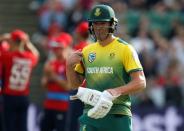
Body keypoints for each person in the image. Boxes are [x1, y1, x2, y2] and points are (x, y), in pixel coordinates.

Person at [66, 4, 146, 131]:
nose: (98, 28)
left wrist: (116, 91)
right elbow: (74, 85)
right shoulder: (87, 51)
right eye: (95, 24)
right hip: (91, 113)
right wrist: (69, 66)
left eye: (103, 23)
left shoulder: (125, 49)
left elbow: (141, 82)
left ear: (112, 24)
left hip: (118, 113)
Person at [0, 29, 39, 131]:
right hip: (23, 97)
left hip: (9, 97)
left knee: (9, 127)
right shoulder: (29, 57)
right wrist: (28, 43)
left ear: (12, 41)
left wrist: (2, 39)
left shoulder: (7, 56)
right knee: (22, 127)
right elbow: (36, 54)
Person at [40, 35, 70, 131]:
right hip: (49, 105)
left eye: (58, 48)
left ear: (64, 47)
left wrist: (53, 77)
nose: (55, 50)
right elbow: (43, 84)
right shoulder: (50, 63)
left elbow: (68, 86)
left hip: (62, 107)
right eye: (55, 48)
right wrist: (48, 78)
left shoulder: (68, 64)